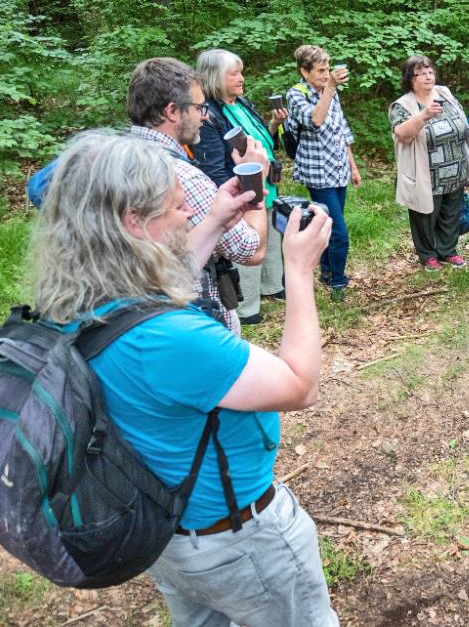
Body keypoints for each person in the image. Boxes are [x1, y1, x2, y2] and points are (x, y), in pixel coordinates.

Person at [32, 132, 338, 626]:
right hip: (238, 539)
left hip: (165, 532)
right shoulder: (170, 339)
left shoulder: (78, 300)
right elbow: (299, 385)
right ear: (135, 222)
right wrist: (300, 272)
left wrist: (217, 220)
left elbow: (157, 291)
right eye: (178, 208)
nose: (186, 216)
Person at [127, 57, 268, 335]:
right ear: (172, 111)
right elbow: (251, 250)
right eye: (198, 107)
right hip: (193, 322)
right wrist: (254, 180)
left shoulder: (118, 156)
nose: (204, 116)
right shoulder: (183, 177)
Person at [194, 49, 288, 324]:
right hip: (241, 189)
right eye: (234, 73)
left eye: (241, 72)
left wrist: (274, 124)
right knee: (249, 242)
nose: (241, 78)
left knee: (270, 237)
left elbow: (264, 139)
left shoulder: (241, 103)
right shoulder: (209, 114)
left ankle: (273, 286)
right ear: (214, 77)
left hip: (266, 183)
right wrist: (238, 195)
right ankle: (248, 307)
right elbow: (213, 165)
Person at [286, 45, 361, 301]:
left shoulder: (331, 91)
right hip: (318, 172)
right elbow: (315, 121)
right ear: (304, 72)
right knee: (338, 231)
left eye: (327, 69)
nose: (326, 74)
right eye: (320, 70)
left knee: (328, 226)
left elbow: (342, 129)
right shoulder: (297, 95)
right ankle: (338, 282)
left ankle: (328, 271)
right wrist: (329, 88)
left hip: (339, 168)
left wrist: (353, 166)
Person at [390, 56, 469, 271]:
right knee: (425, 216)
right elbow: (401, 134)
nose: (428, 76)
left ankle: (448, 250)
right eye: (421, 73)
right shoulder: (403, 105)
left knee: (451, 213)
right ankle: (428, 254)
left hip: (455, 169)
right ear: (411, 79)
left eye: (430, 71)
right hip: (426, 173)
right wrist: (424, 115)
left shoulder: (444, 94)